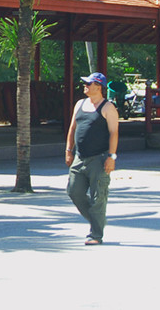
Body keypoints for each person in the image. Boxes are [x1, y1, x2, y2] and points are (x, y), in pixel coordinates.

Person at [65, 72, 119, 246]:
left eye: (88, 83)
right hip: (79, 157)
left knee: (98, 197)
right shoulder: (80, 104)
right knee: (74, 191)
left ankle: (95, 234)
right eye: (85, 83)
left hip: (99, 158)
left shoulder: (107, 107)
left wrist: (111, 156)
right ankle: (98, 220)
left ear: (98, 86)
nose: (85, 86)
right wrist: (68, 150)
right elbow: (72, 128)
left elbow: (114, 133)